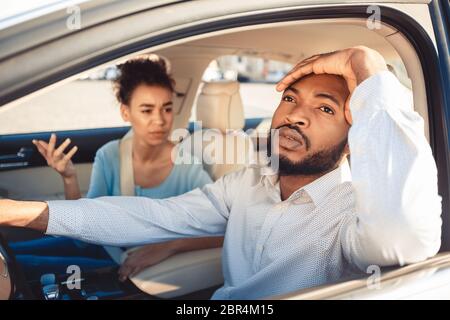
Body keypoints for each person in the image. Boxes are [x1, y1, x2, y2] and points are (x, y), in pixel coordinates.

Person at [0, 46, 442, 299]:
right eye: (291, 99)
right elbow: (149, 217)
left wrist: (367, 67)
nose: (297, 116)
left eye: (325, 108)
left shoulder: (354, 213)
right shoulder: (247, 183)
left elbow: (404, 235)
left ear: (354, 138)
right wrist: (22, 212)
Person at [9, 55, 222, 281]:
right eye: (147, 110)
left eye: (167, 109)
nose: (159, 120)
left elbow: (222, 227)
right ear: (125, 112)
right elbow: (84, 229)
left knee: (25, 265)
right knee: (12, 250)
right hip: (102, 246)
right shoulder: (110, 154)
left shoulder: (186, 167)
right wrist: (69, 177)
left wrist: (171, 246)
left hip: (126, 265)